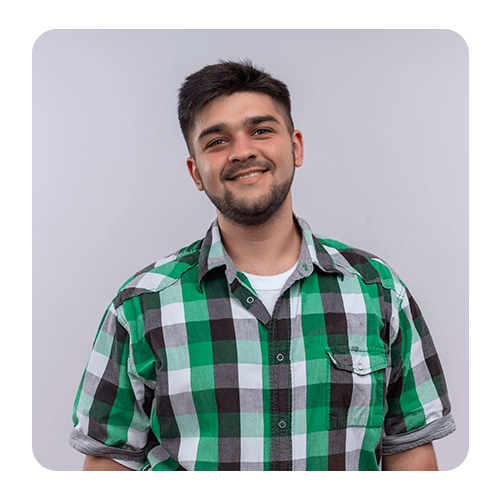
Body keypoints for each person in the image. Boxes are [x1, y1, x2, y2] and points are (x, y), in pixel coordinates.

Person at [69, 60, 455, 471]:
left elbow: (410, 452)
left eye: (261, 131)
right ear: (196, 172)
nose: (242, 151)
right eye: (217, 141)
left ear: (296, 147)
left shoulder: (378, 290)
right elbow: (109, 464)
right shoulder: (140, 305)